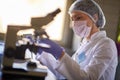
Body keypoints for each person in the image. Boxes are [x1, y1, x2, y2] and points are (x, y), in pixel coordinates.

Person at [35, 0, 118, 80]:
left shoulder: (106, 44)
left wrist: (61, 54)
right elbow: (66, 74)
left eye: (78, 17)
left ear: (95, 18)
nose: (74, 23)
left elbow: (88, 78)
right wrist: (44, 55)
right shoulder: (85, 44)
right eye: (72, 19)